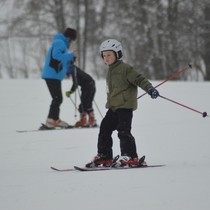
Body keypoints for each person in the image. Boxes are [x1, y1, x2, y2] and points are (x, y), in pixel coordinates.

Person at [86, 39, 159, 168]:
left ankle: (130, 156)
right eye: (104, 55)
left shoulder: (125, 69)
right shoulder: (110, 70)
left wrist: (150, 89)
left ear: (117, 54)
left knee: (123, 131)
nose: (106, 58)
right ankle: (105, 155)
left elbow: (139, 79)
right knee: (104, 128)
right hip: (113, 107)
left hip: (125, 107)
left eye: (109, 54)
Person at [42, 27, 77, 128]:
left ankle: (54, 119)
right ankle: (51, 120)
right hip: (51, 75)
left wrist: (70, 62)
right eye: (73, 40)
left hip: (55, 76)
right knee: (57, 98)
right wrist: (71, 55)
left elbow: (61, 61)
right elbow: (56, 56)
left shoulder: (62, 44)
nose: (73, 43)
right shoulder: (59, 42)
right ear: (70, 38)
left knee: (58, 98)